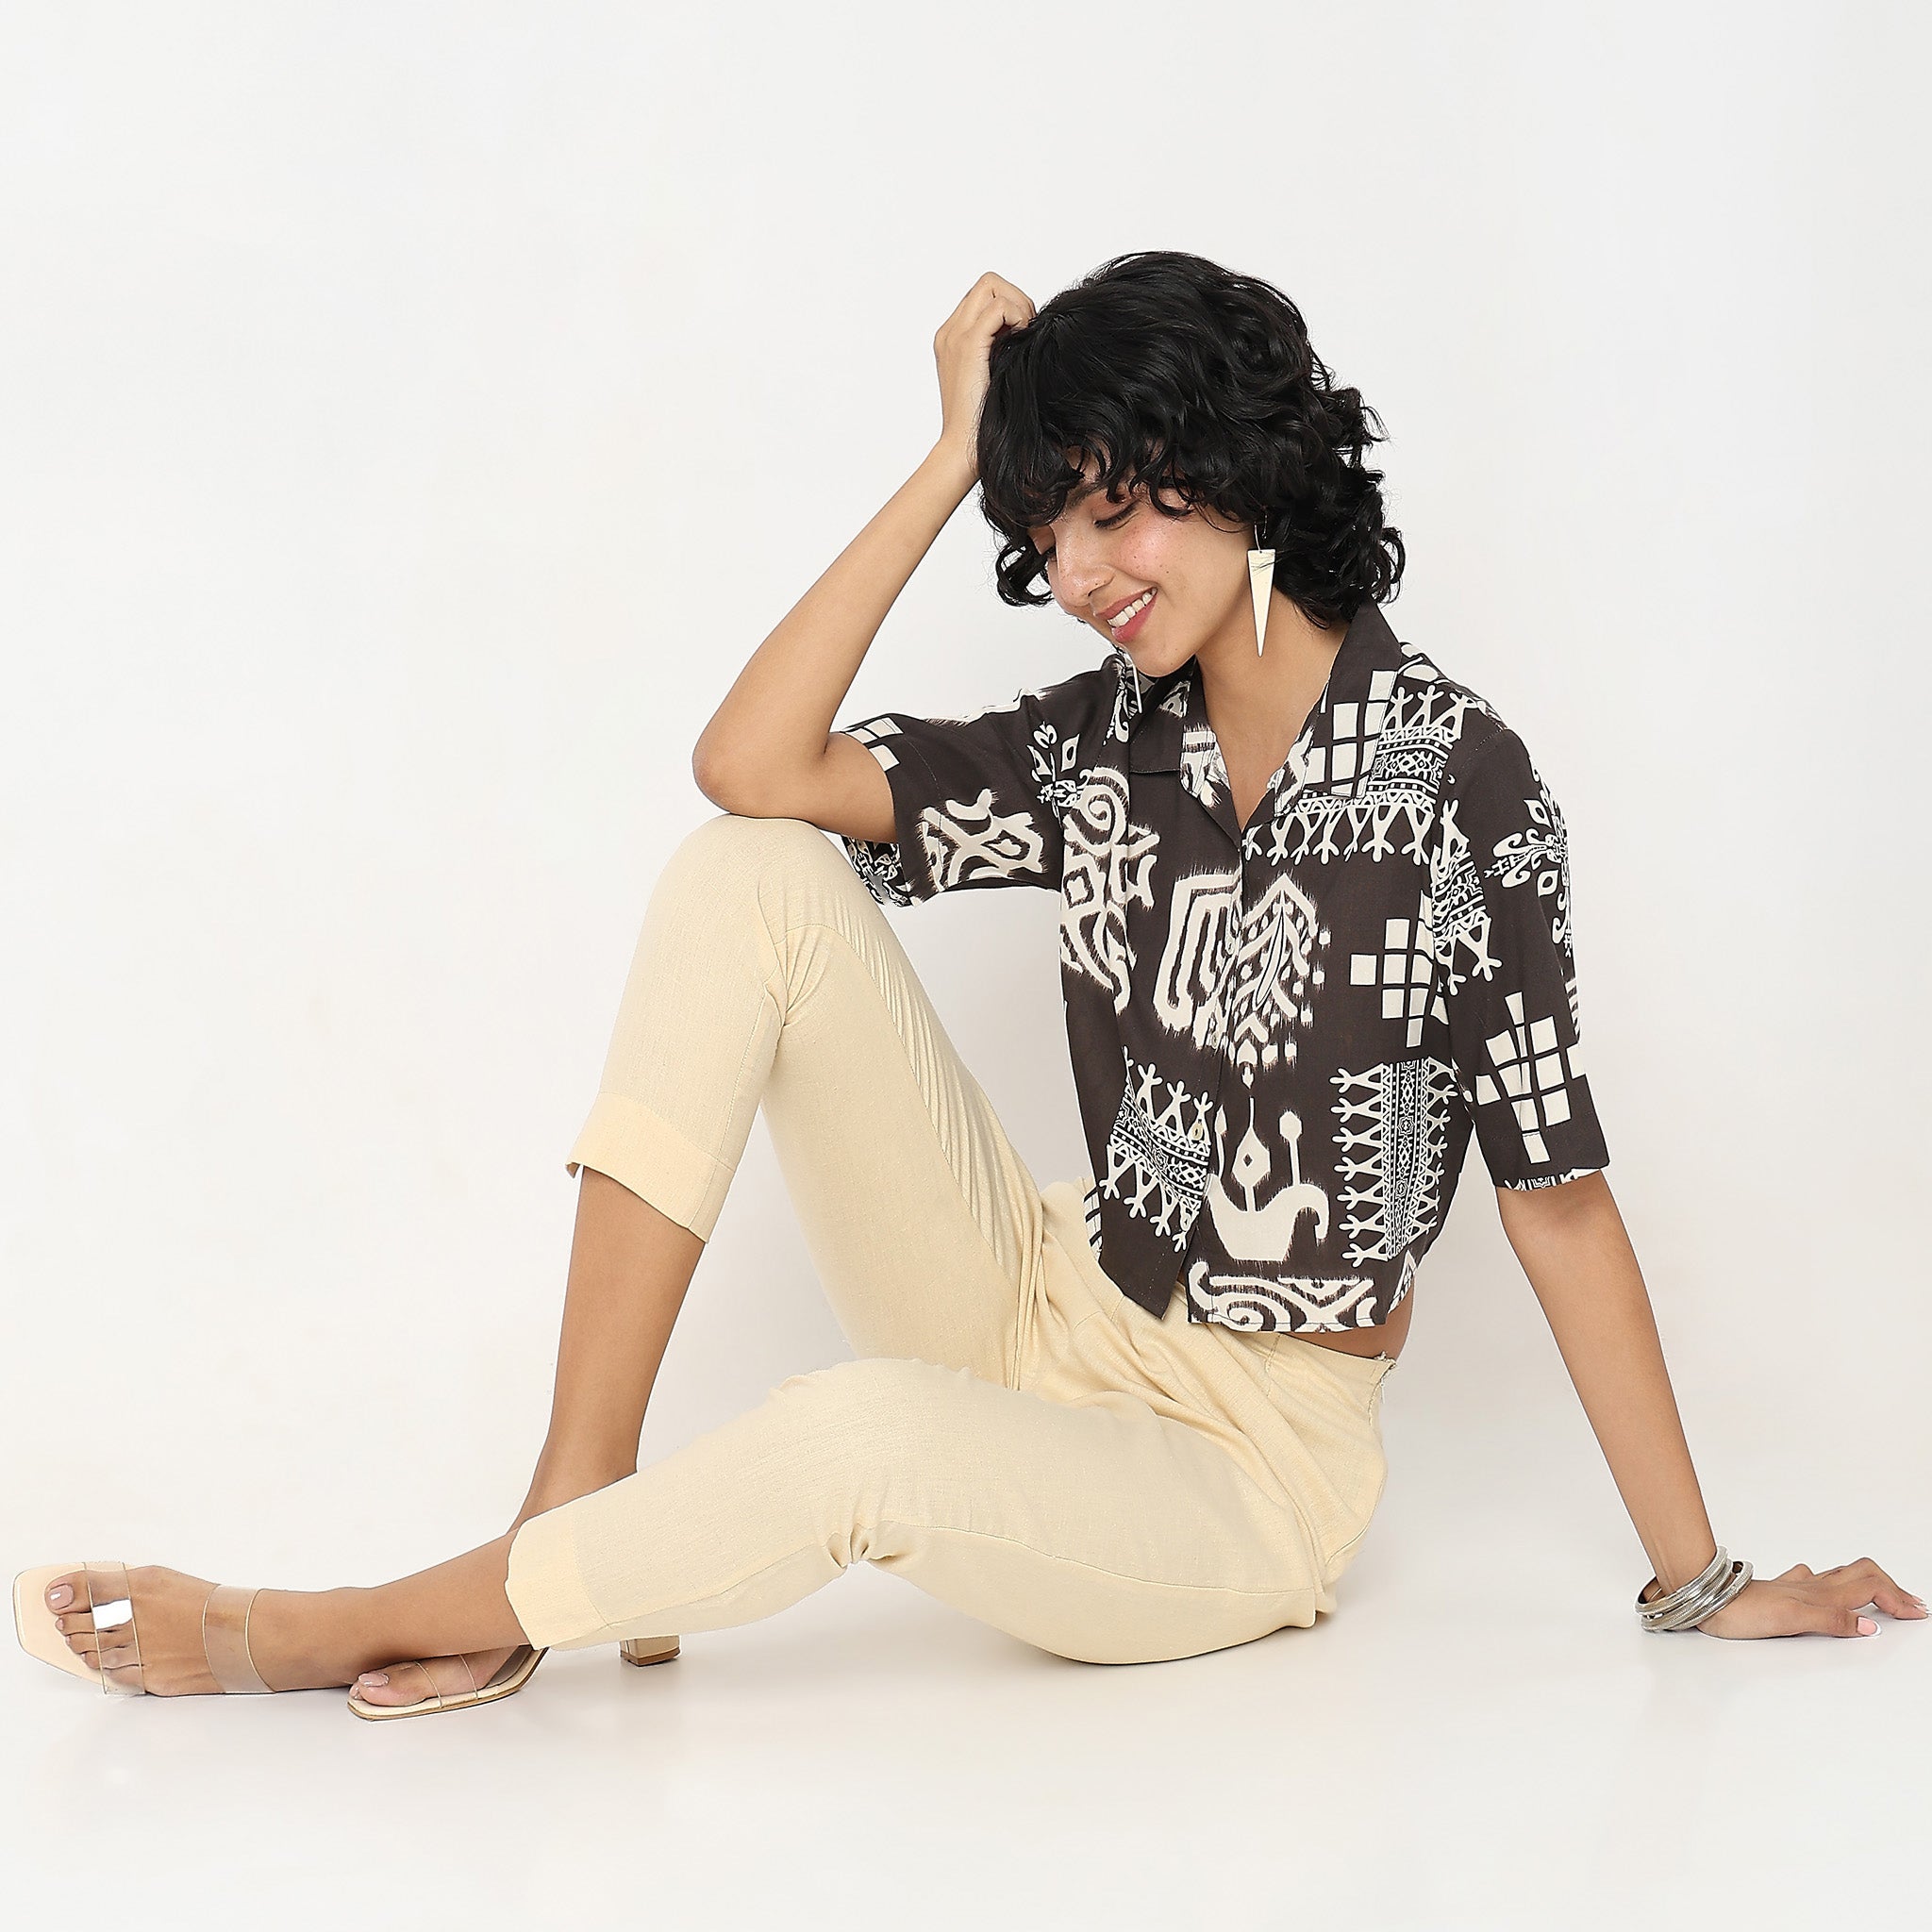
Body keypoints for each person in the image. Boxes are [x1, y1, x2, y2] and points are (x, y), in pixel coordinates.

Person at [19, 254, 1922, 1715]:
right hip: (1041, 1291)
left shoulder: (1458, 786)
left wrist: (1701, 1581)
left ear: (1238, 467)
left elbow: (1559, 1199)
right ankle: (569, 1499)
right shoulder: (1107, 745)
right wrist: (951, 458)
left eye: (1117, 509)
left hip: (1244, 1461)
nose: (1081, 572)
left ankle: (336, 1624)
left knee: (855, 1434)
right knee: (752, 874)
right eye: (1048, 536)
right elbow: (751, 767)